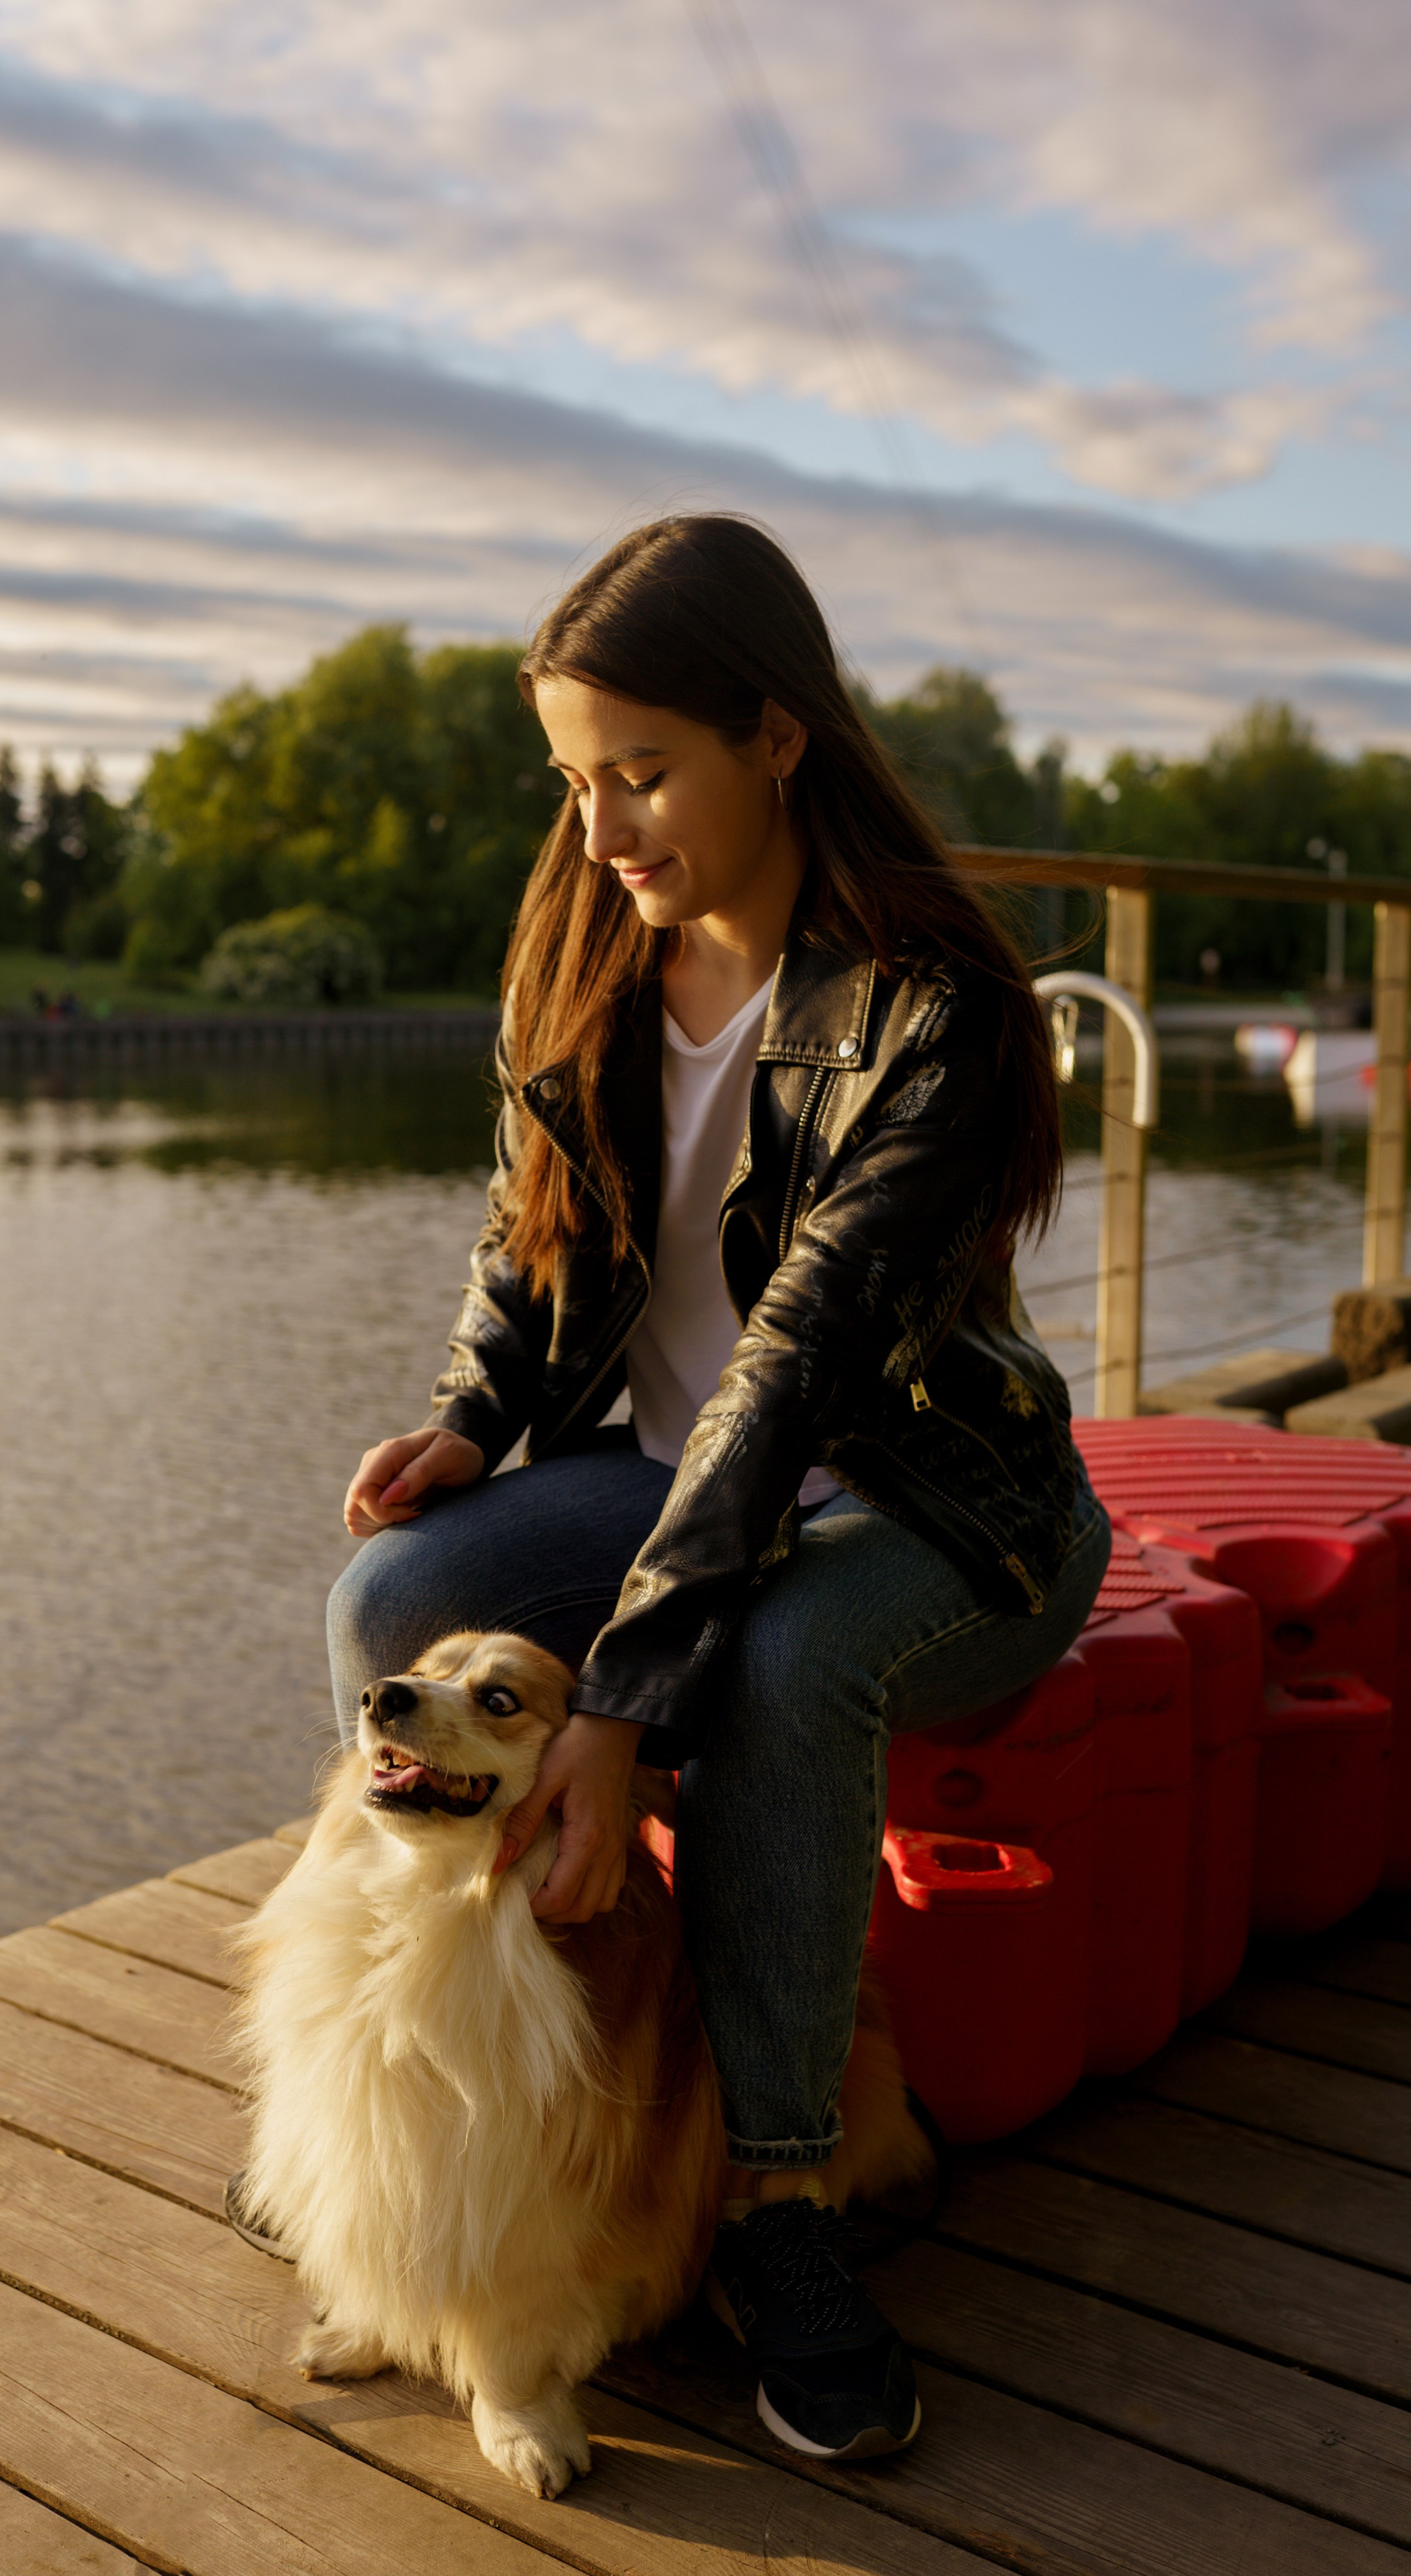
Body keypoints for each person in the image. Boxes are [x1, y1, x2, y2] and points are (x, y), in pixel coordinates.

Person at [318, 517, 1110, 2462]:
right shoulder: (586, 947)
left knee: (773, 1664)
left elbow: (794, 1376)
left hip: (933, 1511)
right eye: (575, 781)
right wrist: (470, 1423)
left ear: (779, 734)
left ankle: (777, 2194)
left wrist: (618, 1705)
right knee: (389, 1609)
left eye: (641, 773)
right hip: (672, 1494)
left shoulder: (934, 1014)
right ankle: (465, 2094)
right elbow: (533, 1240)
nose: (603, 831)